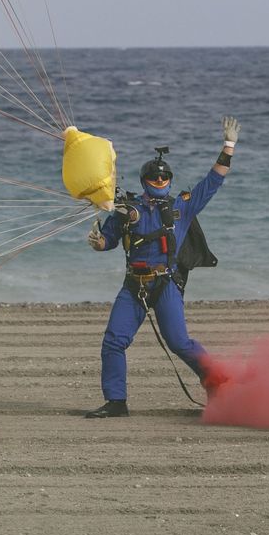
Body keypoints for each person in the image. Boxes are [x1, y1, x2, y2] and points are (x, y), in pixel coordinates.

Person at [82, 115, 240, 418]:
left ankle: (219, 386)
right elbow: (109, 241)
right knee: (113, 341)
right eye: (154, 179)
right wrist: (98, 241)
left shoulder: (181, 207)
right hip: (134, 286)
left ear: (169, 180)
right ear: (144, 181)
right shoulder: (125, 210)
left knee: (180, 343)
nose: (159, 182)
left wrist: (229, 145)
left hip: (165, 284)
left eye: (163, 178)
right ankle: (116, 402)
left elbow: (213, 182)